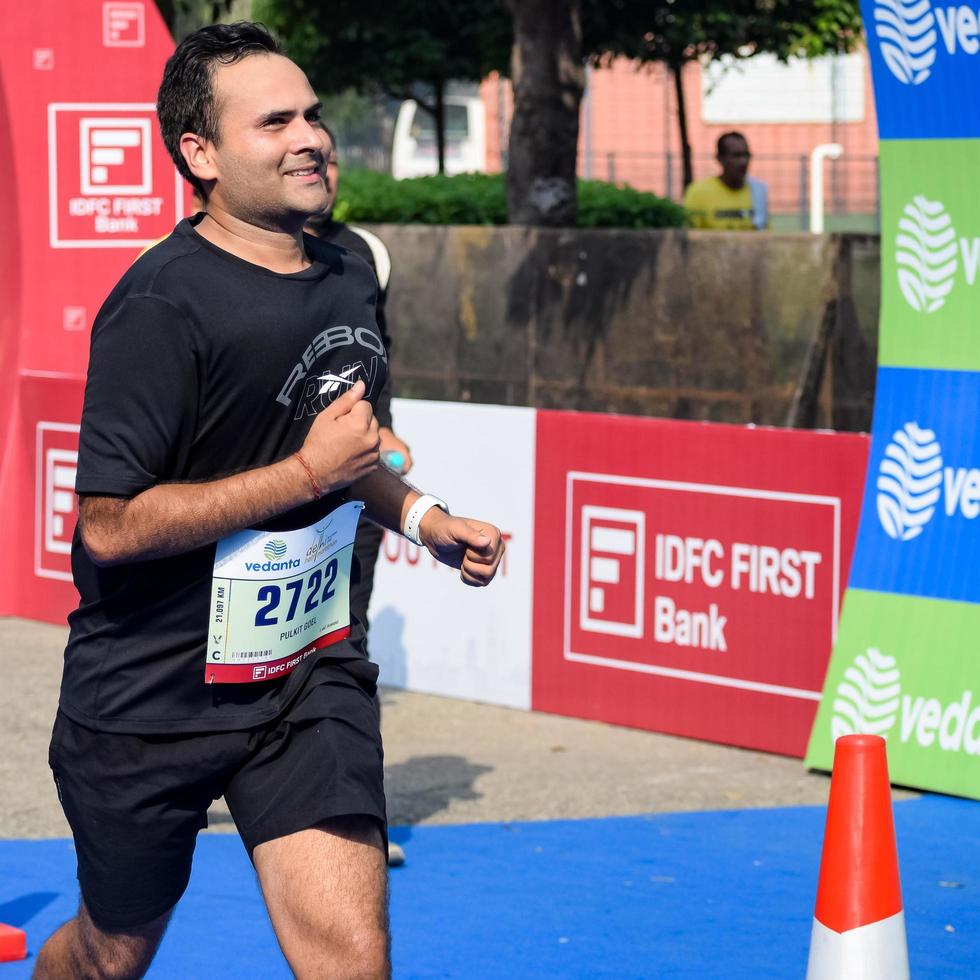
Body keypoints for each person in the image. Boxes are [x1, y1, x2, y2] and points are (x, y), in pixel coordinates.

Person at [36, 21, 504, 980]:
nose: (311, 138)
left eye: (315, 115)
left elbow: (341, 449)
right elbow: (110, 527)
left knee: (348, 956)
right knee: (107, 955)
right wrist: (303, 479)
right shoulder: (160, 306)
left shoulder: (346, 274)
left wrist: (424, 518)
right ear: (200, 155)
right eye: (275, 121)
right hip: (150, 698)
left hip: (305, 678)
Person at [306, 126, 412, 867]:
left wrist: (390, 447)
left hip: (355, 489)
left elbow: (378, 365)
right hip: (253, 500)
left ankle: (355, 818)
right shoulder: (183, 264)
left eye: (330, 154)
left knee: (348, 642)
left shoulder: (368, 254)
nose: (320, 166)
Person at [682, 131, 769, 231]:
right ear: (720, 158)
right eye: (736, 156)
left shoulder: (758, 191)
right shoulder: (698, 193)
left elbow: (763, 233)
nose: (743, 162)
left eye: (746, 155)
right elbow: (689, 236)